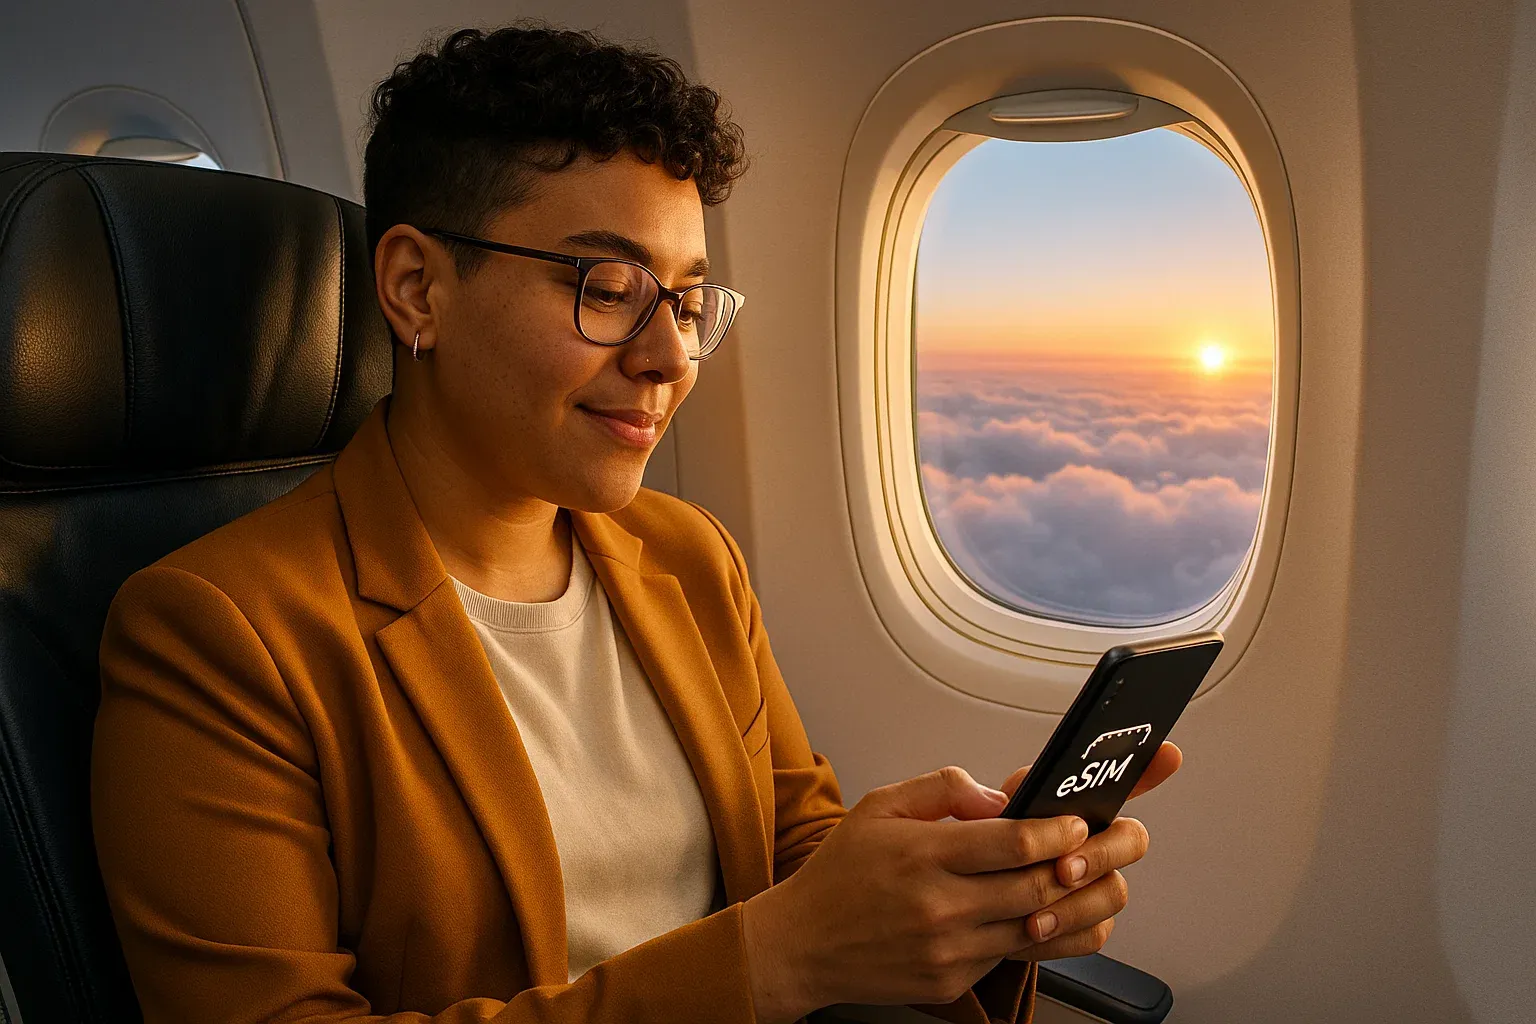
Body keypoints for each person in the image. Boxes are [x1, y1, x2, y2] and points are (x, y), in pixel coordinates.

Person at [90, 24, 1178, 1024]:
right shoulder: (218, 636)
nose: (670, 357)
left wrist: (966, 899)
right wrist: (771, 960)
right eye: (607, 286)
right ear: (419, 289)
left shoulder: (689, 558)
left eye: (690, 299)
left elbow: (794, 857)